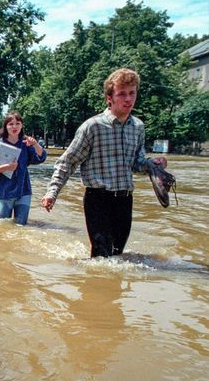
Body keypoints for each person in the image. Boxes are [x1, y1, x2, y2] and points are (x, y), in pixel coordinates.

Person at [40, 68, 167, 258]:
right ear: (110, 98)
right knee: (101, 257)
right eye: (122, 94)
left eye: (132, 93)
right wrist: (52, 192)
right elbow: (68, 162)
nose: (128, 99)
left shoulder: (138, 127)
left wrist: (151, 164)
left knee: (117, 256)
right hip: (97, 199)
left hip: (125, 199)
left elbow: (136, 163)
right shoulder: (93, 127)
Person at [0, 112, 47, 225]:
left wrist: (36, 145)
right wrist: (7, 167)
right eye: (11, 124)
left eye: (17, 123)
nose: (14, 127)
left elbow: (40, 158)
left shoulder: (26, 144)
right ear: (6, 126)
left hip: (23, 191)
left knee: (21, 226)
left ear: (22, 126)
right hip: (4, 192)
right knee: (3, 226)